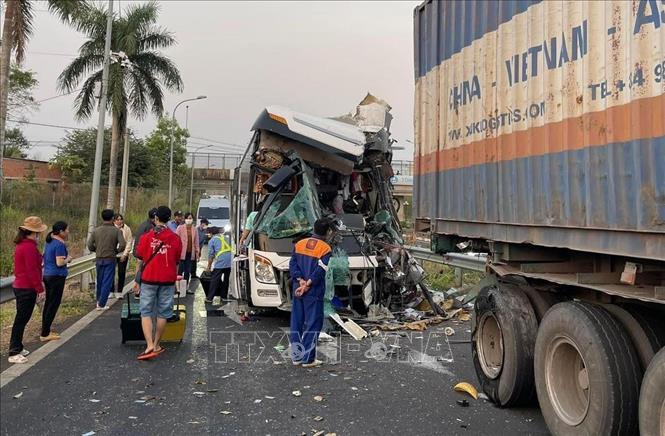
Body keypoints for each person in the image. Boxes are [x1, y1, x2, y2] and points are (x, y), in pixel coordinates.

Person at [134, 206, 182, 360]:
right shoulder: (175, 238)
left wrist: (137, 280)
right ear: (169, 219)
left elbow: (140, 257)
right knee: (163, 312)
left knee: (146, 311)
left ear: (155, 219)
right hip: (167, 279)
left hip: (148, 278)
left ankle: (148, 345)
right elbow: (176, 261)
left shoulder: (146, 237)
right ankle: (156, 344)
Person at [288, 218, 333, 368]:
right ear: (327, 232)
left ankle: (296, 357)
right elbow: (320, 270)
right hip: (313, 290)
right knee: (313, 323)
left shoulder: (299, 244)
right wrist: (308, 284)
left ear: (313, 228)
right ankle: (308, 359)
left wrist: (300, 280)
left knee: (296, 322)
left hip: (297, 287)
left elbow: (293, 263)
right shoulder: (325, 249)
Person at [8, 216, 47, 364]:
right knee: (21, 319)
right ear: (34, 233)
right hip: (26, 287)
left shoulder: (23, 245)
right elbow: (32, 270)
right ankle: (14, 351)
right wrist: (39, 288)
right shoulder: (29, 247)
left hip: (22, 285)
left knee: (22, 318)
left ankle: (18, 346)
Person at [88, 209, 126, 310]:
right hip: (110, 258)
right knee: (107, 281)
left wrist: (96, 250)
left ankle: (98, 301)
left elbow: (89, 245)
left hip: (99, 258)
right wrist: (116, 251)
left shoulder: (96, 230)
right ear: (113, 218)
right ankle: (101, 304)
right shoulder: (116, 230)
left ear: (102, 217)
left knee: (99, 280)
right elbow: (123, 244)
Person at [41, 221, 71, 342]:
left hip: (48, 275)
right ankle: (45, 333)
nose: (68, 232)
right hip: (56, 277)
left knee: (48, 303)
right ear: (61, 232)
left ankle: (45, 330)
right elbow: (59, 263)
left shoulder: (49, 242)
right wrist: (68, 259)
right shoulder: (59, 244)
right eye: (67, 230)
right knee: (53, 304)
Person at [206, 226, 233, 304]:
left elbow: (211, 255)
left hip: (221, 261)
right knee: (226, 279)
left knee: (215, 279)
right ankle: (224, 296)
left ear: (211, 233)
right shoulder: (226, 237)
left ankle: (209, 298)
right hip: (230, 260)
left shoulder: (212, 240)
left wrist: (209, 267)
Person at [175, 212, 200, 284]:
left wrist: (197, 253)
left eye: (190, 218)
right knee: (179, 270)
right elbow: (176, 240)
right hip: (181, 253)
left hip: (190, 253)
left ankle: (185, 286)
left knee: (187, 271)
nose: (189, 220)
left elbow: (196, 242)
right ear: (185, 219)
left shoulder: (194, 229)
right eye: (187, 218)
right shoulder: (180, 228)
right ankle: (177, 286)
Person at [114, 214, 133, 299]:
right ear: (114, 220)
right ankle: (111, 291)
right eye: (117, 220)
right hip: (113, 254)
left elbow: (129, 242)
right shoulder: (112, 228)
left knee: (121, 273)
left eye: (121, 219)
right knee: (111, 273)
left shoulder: (127, 228)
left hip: (123, 254)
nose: (119, 221)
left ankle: (119, 291)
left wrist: (125, 254)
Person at [191, 218, 209, 283]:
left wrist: (200, 250)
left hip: (199, 247)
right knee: (192, 260)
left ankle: (193, 274)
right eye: (205, 224)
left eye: (207, 224)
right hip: (193, 247)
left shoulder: (205, 231)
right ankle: (190, 273)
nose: (206, 226)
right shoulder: (196, 230)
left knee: (195, 260)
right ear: (201, 224)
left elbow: (202, 241)